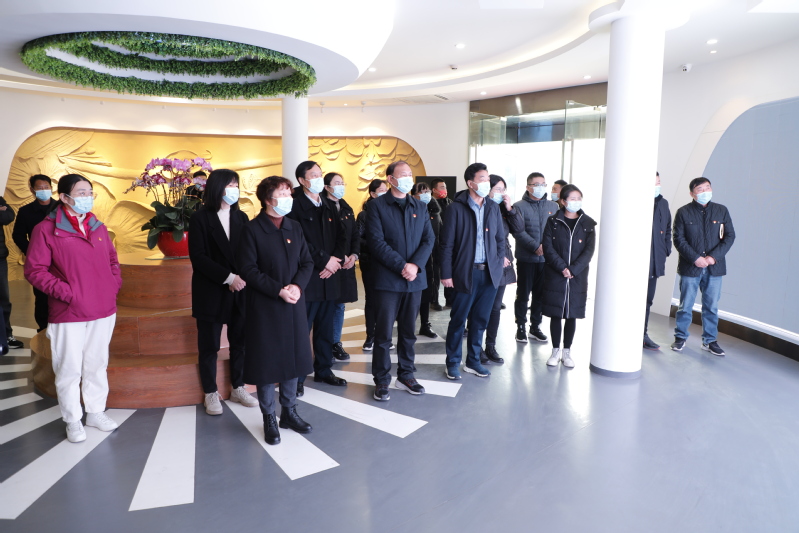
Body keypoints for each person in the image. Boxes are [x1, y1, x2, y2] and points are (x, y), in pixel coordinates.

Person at [24, 174, 123, 443]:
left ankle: (95, 412)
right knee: (68, 368)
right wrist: (69, 294)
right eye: (81, 193)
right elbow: (35, 271)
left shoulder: (98, 227)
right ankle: (72, 419)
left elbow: (113, 261)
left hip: (103, 308)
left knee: (97, 363)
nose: (87, 197)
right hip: (69, 312)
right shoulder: (46, 229)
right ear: (64, 197)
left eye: (90, 192)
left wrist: (113, 285)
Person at [238, 176, 314, 445]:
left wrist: (297, 286)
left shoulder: (294, 226)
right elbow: (248, 269)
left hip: (294, 304)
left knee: (293, 359)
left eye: (289, 193)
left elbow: (307, 262)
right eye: (283, 194)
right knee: (267, 363)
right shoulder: (252, 229)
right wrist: (278, 290)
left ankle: (289, 412)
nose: (288, 198)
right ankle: (269, 416)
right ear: (267, 199)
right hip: (265, 307)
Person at [188, 169, 258, 415]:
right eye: (230, 185)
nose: (234, 189)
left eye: (236, 185)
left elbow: (249, 253)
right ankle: (210, 392)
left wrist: (242, 278)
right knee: (209, 346)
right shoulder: (200, 218)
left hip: (240, 289)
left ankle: (238, 387)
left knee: (240, 342)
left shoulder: (242, 217)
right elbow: (198, 257)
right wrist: (229, 278)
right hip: (211, 290)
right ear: (217, 187)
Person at [366, 161, 435, 400]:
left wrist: (414, 265)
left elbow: (428, 240)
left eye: (410, 174)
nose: (408, 178)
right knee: (383, 334)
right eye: (402, 174)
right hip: (387, 281)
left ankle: (406, 375)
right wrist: (402, 266)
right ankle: (382, 379)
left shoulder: (420, 206)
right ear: (390, 179)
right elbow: (376, 242)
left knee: (408, 332)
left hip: (414, 280)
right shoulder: (377, 206)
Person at [440, 163, 505, 379]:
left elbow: (500, 240)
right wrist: (446, 273)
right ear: (470, 183)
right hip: (465, 273)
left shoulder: (493, 207)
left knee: (480, 321)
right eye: (482, 179)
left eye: (488, 178)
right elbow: (446, 244)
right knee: (458, 320)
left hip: (489, 274)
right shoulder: (455, 208)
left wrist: (497, 265)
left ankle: (473, 361)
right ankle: (452, 362)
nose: (487, 182)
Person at [287, 161, 347, 395]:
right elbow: (299, 241)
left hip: (330, 276)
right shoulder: (294, 205)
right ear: (302, 180)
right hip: (308, 276)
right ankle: (298, 376)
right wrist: (324, 261)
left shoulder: (328, 203)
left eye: (320, 174)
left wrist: (335, 261)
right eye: (313, 175)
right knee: (303, 329)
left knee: (325, 328)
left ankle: (324, 369)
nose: (319, 179)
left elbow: (342, 235)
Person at [671, 177, 735, 356]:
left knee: (711, 306)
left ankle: (710, 341)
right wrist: (695, 258)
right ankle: (680, 337)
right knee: (685, 305)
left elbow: (730, 236)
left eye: (708, 187)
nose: (705, 191)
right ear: (692, 194)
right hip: (690, 267)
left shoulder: (721, 210)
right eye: (700, 189)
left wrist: (713, 257)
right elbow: (678, 238)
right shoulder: (683, 212)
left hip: (714, 268)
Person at [541, 184, 597, 368]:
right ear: (563, 201)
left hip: (577, 276)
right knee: (556, 313)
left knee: (572, 313)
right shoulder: (553, 221)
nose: (576, 202)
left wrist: (573, 270)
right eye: (572, 199)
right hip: (556, 274)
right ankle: (555, 350)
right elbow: (548, 248)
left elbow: (589, 251)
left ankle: (567, 351)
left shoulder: (588, 224)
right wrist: (562, 268)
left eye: (578, 198)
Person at [479, 174, 524, 364]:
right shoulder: (480, 208)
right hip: (485, 264)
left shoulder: (504, 210)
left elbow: (519, 230)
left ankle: (490, 346)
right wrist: (497, 257)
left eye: (503, 189)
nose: (501, 193)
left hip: (503, 265)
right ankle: (477, 348)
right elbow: (480, 239)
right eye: (497, 189)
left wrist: (510, 208)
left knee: (495, 308)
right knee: (480, 308)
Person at [512, 172, 559, 344]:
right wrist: (534, 246)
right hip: (526, 259)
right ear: (528, 187)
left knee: (540, 295)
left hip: (546, 260)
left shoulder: (553, 206)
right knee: (523, 295)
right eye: (536, 184)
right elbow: (518, 231)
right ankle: (520, 327)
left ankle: (535, 327)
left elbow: (556, 231)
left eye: (543, 184)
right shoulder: (519, 206)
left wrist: (546, 248)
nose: (540, 187)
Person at [324, 172, 359, 362]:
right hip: (328, 265)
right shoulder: (321, 206)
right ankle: (322, 344)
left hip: (346, 265)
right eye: (337, 183)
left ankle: (335, 342)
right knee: (325, 306)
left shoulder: (346, 207)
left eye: (342, 183)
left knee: (339, 305)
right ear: (327, 187)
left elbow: (354, 235)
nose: (341, 186)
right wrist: (338, 256)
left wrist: (354, 255)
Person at [12, 174, 53, 333]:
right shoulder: (25, 211)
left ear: (51, 188)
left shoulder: (61, 207)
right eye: (39, 188)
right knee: (42, 296)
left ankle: (61, 327)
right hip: (39, 262)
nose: (43, 190)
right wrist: (33, 251)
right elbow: (18, 235)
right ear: (32, 190)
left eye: (46, 187)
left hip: (60, 259)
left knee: (60, 295)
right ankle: (43, 329)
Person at [644, 171, 672, 350]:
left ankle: (643, 334)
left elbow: (668, 228)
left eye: (658, 182)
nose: (657, 186)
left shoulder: (663, 203)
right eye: (653, 183)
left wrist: (666, 249)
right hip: (638, 263)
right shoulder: (636, 201)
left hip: (655, 262)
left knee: (648, 301)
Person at [412, 182, 441, 339]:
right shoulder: (410, 210)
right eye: (422, 192)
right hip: (414, 259)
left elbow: (439, 235)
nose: (426, 195)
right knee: (411, 295)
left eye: (427, 191)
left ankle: (425, 324)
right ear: (414, 195)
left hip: (431, 259)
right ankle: (407, 325)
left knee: (426, 293)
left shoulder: (435, 212)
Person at [430, 178, 454, 309]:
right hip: (434, 243)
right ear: (434, 190)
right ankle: (434, 300)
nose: (445, 190)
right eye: (442, 187)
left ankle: (450, 299)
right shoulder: (429, 204)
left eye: (445, 187)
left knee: (449, 270)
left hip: (448, 243)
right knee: (435, 272)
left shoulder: (450, 203)